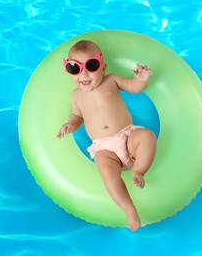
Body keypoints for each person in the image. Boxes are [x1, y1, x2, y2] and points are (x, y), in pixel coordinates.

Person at [57, 40, 157, 231]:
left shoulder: (112, 80)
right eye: (74, 68)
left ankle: (139, 171)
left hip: (128, 137)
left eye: (91, 66)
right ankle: (129, 209)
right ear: (68, 71)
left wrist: (142, 79)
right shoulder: (76, 95)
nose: (83, 74)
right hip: (103, 148)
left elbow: (134, 87)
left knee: (147, 137)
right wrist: (70, 125)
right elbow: (77, 116)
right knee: (106, 172)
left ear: (103, 66)